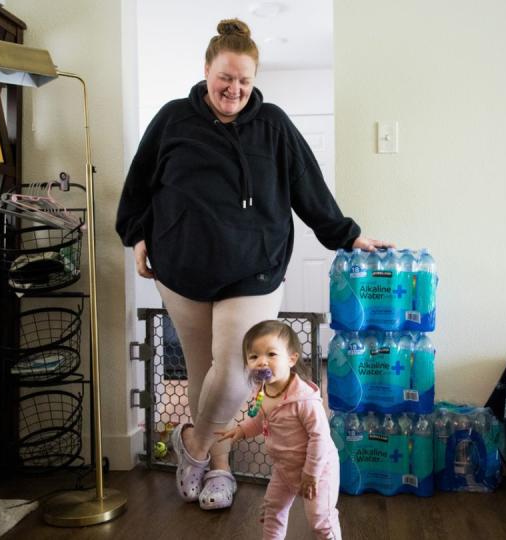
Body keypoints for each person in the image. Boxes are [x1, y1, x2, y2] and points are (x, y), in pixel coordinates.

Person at [115, 18, 390, 511]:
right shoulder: (173, 119)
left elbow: (309, 187)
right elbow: (139, 183)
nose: (234, 89)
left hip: (254, 266)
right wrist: (136, 234)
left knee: (238, 372)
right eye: (225, 77)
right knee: (204, 373)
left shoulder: (274, 124)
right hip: (182, 267)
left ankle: (194, 446)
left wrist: (347, 235)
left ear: (254, 79)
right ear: (206, 70)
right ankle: (219, 469)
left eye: (244, 80)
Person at [217, 320, 341, 539]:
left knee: (319, 519)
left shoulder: (304, 400)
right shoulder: (262, 391)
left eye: (271, 354)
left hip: (318, 470)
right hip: (284, 469)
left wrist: (310, 475)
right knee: (273, 511)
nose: (261, 362)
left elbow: (320, 437)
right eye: (254, 356)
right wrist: (242, 430)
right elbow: (262, 419)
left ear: (291, 359)